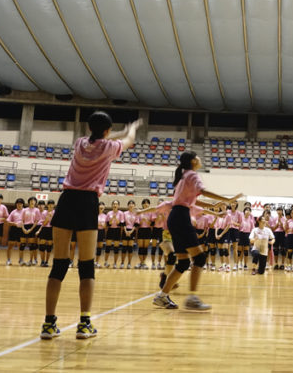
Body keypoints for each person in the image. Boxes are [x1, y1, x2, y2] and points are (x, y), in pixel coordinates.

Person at [39, 113, 141, 340]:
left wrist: (113, 131)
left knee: (59, 265)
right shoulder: (109, 147)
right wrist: (130, 129)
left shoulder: (80, 143)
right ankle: (84, 324)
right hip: (87, 203)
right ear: (108, 130)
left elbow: (99, 137)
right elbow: (128, 141)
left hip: (66, 200)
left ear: (89, 127)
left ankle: (48, 324)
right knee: (87, 266)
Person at [151, 151, 241, 311]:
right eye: (198, 157)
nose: (200, 159)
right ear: (193, 161)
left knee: (184, 262)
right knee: (199, 258)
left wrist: (211, 206)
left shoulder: (184, 176)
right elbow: (203, 192)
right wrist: (227, 200)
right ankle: (192, 298)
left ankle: (162, 296)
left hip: (175, 217)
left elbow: (193, 198)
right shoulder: (192, 174)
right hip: (181, 217)